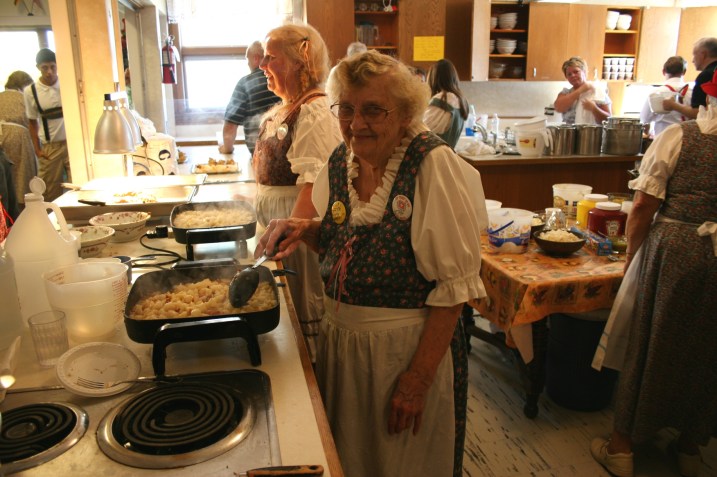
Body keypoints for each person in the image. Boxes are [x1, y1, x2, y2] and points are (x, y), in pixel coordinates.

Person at [255, 50, 488, 477]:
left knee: (401, 464)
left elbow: (455, 288)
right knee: (353, 459)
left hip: (400, 354)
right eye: (346, 109)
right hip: (343, 346)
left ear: (404, 114)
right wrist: (301, 228)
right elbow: (341, 239)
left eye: (373, 110)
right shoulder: (342, 161)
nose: (356, 123)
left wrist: (416, 381)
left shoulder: (431, 164)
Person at [590, 69, 717, 477]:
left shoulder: (681, 137)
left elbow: (643, 205)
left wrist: (632, 259)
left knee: (650, 342)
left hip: (677, 250)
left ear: (705, 98)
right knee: (707, 350)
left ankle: (621, 448)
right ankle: (690, 448)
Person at [253, 24, 342, 361]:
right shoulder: (284, 109)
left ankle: (312, 385)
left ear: (297, 63)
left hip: (298, 238)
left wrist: (290, 234)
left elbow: (316, 183)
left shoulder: (315, 112)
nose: (262, 65)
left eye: (271, 57)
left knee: (304, 311)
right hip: (278, 231)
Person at [23, 48, 69, 202]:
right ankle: (51, 221)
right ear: (38, 68)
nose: (49, 72)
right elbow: (32, 121)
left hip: (72, 144)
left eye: (53, 67)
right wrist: (37, 149)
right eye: (45, 68)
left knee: (77, 183)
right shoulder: (31, 91)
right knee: (49, 189)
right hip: (50, 146)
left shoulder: (67, 85)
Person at [220, 41, 280, 156]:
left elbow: (230, 125)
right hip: (285, 152)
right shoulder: (280, 80)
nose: (248, 65)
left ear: (256, 58)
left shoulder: (245, 83)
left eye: (248, 61)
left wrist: (227, 148)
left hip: (260, 154)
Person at [0, 71, 37, 211]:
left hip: (1, 136)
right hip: (19, 135)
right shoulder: (24, 97)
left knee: (6, 179)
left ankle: (7, 213)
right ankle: (24, 211)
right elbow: (33, 122)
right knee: (23, 178)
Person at [663, 37, 717, 120]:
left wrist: (673, 105)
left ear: (703, 54)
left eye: (694, 54)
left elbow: (698, 113)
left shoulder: (705, 76)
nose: (693, 60)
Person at [423, 58, 469, 148]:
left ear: (434, 77)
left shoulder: (442, 99)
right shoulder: (460, 99)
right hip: (447, 153)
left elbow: (422, 130)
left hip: (434, 154)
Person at [639, 56, 689, 137]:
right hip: (687, 139)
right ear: (684, 72)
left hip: (663, 138)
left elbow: (644, 118)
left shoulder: (656, 93)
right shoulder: (693, 92)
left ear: (663, 71)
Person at [554, 56, 611, 125]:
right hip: (569, 134)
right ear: (567, 77)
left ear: (584, 71)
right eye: (569, 74)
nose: (573, 75)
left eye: (576, 72)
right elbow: (558, 108)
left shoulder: (597, 92)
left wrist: (594, 108)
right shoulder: (565, 93)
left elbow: (608, 120)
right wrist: (581, 90)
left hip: (591, 134)